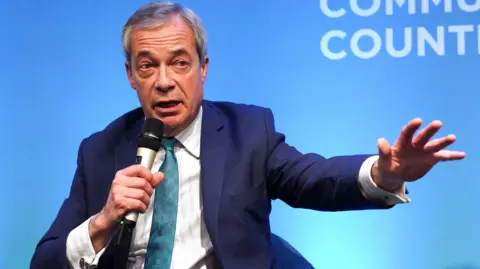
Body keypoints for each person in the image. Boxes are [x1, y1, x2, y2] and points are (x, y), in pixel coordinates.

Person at [30, 1, 466, 269]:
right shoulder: (100, 150)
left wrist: (385, 173)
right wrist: (102, 221)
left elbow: (315, 178)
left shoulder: (248, 133)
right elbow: (44, 262)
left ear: (203, 68)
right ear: (130, 75)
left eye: (180, 63)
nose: (164, 81)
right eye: (148, 66)